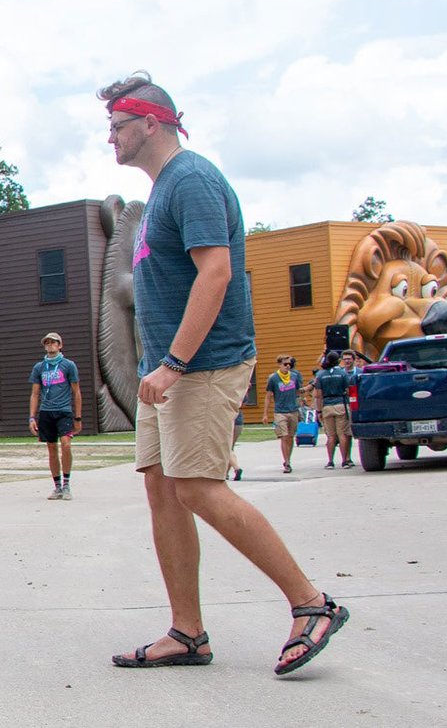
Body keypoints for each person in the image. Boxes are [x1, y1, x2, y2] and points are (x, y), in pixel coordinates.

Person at [100, 72, 346, 677]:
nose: (110, 140)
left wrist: (177, 364)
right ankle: (187, 633)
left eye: (117, 127)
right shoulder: (163, 190)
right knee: (162, 486)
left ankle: (311, 604)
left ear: (150, 123)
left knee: (198, 487)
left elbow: (217, 274)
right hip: (170, 368)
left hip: (203, 365)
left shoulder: (193, 180)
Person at [27, 332, 83, 501]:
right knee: (51, 448)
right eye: (47, 343)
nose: (50, 345)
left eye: (53, 342)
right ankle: (57, 486)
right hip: (46, 412)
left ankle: (67, 484)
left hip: (64, 411)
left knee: (66, 445)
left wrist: (78, 418)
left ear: (60, 345)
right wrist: (32, 417)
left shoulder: (68, 365)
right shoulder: (39, 367)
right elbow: (35, 394)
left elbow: (76, 391)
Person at [312, 350, 356, 469]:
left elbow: (318, 395)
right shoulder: (342, 374)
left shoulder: (320, 375)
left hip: (327, 406)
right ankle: (345, 460)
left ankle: (330, 461)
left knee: (331, 436)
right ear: (338, 360)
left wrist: (319, 410)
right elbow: (348, 390)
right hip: (340, 404)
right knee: (343, 434)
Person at [264, 355, 303, 474]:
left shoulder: (295, 376)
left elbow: (297, 391)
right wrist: (265, 413)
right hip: (280, 411)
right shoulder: (273, 378)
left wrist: (302, 400)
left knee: (291, 437)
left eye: (289, 364)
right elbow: (268, 396)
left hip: (293, 410)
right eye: (285, 364)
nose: (287, 366)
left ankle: (288, 459)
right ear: (279, 364)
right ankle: (286, 462)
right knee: (284, 436)